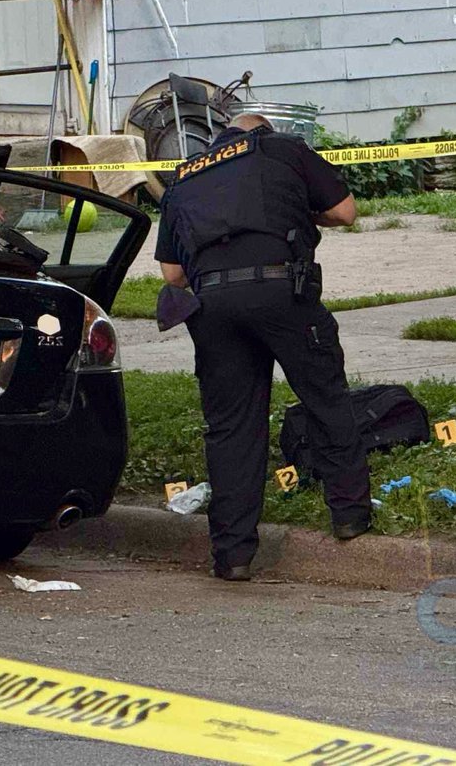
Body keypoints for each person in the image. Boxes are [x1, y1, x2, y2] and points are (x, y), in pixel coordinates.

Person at [155, 113, 371, 582]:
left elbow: (172, 275)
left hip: (212, 308)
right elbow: (345, 212)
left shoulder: (186, 172)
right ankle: (351, 516)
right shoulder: (284, 149)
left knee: (231, 428)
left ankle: (232, 555)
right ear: (263, 131)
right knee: (323, 396)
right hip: (281, 293)